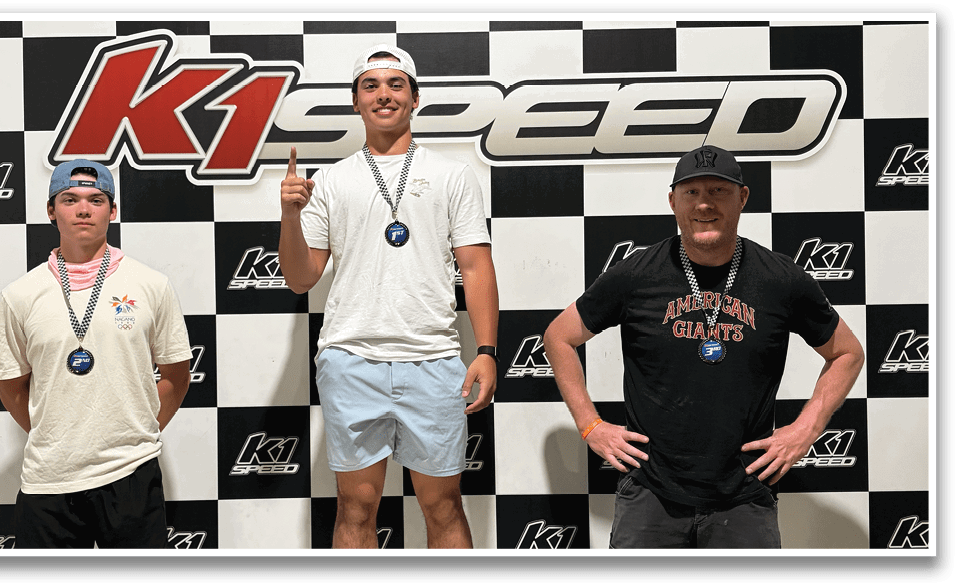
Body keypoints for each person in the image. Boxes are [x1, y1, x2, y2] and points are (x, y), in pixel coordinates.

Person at [543, 145, 865, 548]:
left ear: (743, 198)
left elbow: (848, 353)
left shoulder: (781, 279)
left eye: (718, 191)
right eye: (692, 193)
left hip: (746, 495)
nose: (704, 205)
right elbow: (558, 337)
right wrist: (591, 426)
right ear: (673, 200)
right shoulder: (636, 275)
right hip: (650, 493)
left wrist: (805, 430)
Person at [278, 44, 499, 549]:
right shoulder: (331, 179)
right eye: (371, 86)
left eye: (396, 84)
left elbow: (476, 266)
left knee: (443, 506)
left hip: (435, 359)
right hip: (351, 359)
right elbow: (300, 277)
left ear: (415, 99)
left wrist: (485, 350)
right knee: (355, 508)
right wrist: (290, 215)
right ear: (355, 102)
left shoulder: (453, 174)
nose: (384, 95)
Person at [0, 159, 192, 548]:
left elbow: (176, 376)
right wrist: (57, 435)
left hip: (130, 472)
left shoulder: (151, 284)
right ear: (51, 211)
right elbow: (11, 385)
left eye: (96, 199)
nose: (83, 209)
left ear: (112, 211)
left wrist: (133, 432)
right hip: (49, 478)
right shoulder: (19, 296)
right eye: (70, 199)